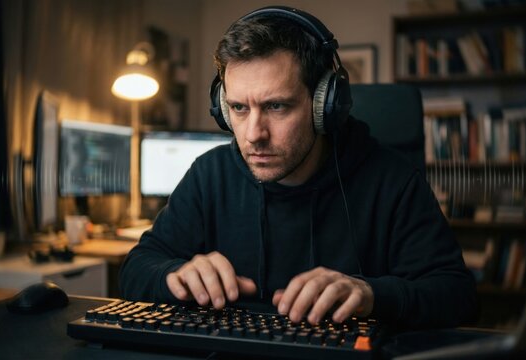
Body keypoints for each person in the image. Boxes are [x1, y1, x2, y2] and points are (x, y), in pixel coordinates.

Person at [119, 6, 477, 330]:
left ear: (324, 105)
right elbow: (136, 268)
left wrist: (372, 294)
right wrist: (174, 275)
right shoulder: (208, 175)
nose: (254, 135)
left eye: (276, 106)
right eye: (239, 108)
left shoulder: (392, 180)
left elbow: (457, 295)